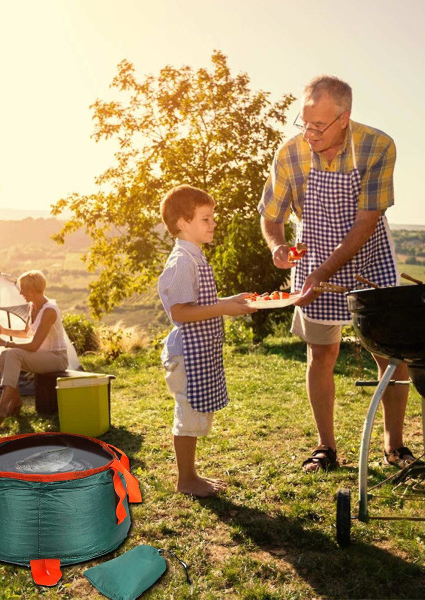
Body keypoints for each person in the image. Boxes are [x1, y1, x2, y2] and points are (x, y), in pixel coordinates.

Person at [259, 75, 411, 472]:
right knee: (321, 353)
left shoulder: (378, 147)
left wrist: (324, 271)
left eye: (319, 125)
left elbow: (365, 223)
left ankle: (394, 445)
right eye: (304, 122)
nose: (309, 132)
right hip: (313, 258)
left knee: (392, 355)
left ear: (345, 117)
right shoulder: (290, 154)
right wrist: (277, 246)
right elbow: (271, 216)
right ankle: (326, 447)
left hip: (368, 257)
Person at [158, 184, 257, 497]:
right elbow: (180, 312)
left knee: (194, 412)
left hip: (196, 352)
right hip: (186, 352)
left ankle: (191, 475)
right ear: (183, 224)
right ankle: (186, 479)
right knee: (187, 415)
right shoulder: (182, 261)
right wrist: (225, 308)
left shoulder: (194, 256)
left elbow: (199, 302)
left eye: (213, 217)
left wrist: (230, 299)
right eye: (206, 218)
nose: (214, 223)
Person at [0, 270, 69, 430]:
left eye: (23, 289)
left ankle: (0, 409)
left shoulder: (49, 310)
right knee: (4, 356)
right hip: (41, 356)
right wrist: (3, 330)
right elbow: (27, 333)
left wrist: (4, 342)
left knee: (12, 353)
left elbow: (33, 345)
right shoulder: (33, 306)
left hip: (56, 358)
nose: (21, 293)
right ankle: (15, 402)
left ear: (32, 290)